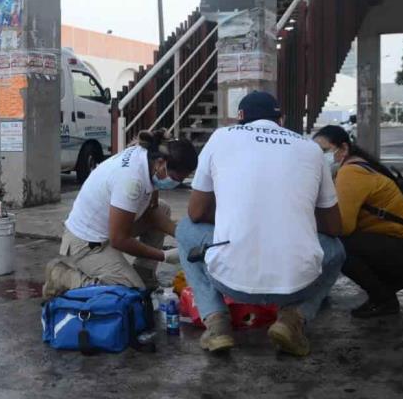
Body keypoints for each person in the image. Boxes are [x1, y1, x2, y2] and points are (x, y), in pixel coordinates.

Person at [177, 91, 344, 357]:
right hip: (297, 284)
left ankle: (217, 323)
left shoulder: (221, 137)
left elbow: (196, 213)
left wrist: (236, 217)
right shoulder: (311, 149)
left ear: (239, 118)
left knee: (185, 229)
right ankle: (293, 320)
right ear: (281, 119)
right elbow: (335, 228)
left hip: (230, 281)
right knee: (336, 250)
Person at [43, 129, 198, 297]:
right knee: (129, 292)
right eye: (176, 178)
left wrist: (184, 236)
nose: (177, 183)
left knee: (163, 208)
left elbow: (152, 213)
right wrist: (164, 256)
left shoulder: (149, 159)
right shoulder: (131, 181)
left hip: (110, 226)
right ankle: (62, 277)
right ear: (161, 163)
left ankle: (143, 274)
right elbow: (119, 240)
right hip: (87, 242)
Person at [313, 125, 403, 318]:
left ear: (343, 149)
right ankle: (390, 282)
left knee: (340, 247)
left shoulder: (351, 172)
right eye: (316, 152)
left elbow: (343, 226)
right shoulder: (358, 165)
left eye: (325, 151)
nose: (320, 157)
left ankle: (384, 300)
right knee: (345, 242)